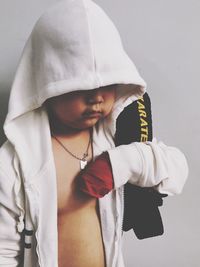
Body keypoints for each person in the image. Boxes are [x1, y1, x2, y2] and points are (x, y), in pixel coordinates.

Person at [0, 0, 188, 266]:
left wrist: (122, 162)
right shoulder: (15, 162)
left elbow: (177, 168)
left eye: (106, 84)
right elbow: (4, 252)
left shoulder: (116, 136)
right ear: (46, 83)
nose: (97, 98)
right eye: (80, 86)